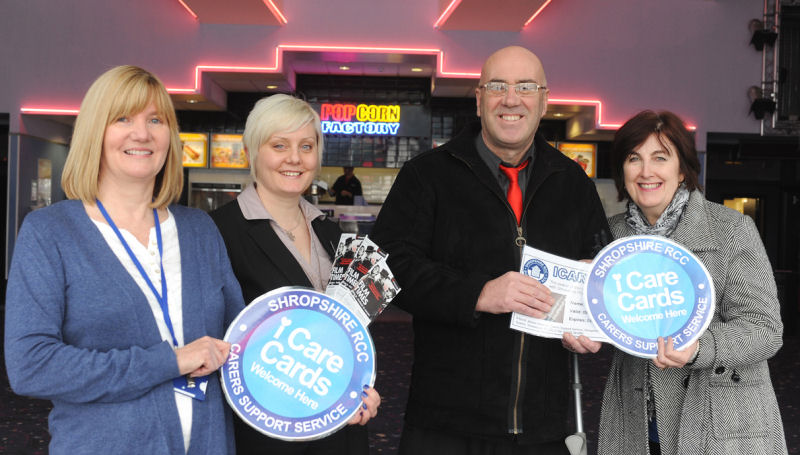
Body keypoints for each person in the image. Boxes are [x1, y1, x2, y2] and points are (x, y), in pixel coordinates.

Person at [370, 46, 609, 454]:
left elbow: (599, 267)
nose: (511, 99)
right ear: (479, 100)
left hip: (542, 427)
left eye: (525, 87)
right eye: (498, 86)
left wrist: (590, 320)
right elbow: (387, 267)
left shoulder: (573, 183)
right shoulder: (427, 175)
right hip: (444, 424)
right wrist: (478, 293)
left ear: (544, 101)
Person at [4, 65, 244, 454]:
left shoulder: (199, 229)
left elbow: (242, 342)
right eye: (123, 119)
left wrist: (333, 396)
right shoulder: (50, 233)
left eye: (156, 120)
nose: (142, 133)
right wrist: (169, 362)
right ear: (95, 132)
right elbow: (32, 366)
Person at [596, 110, 787, 454]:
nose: (646, 171)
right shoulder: (611, 236)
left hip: (717, 418)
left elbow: (765, 330)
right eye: (634, 158)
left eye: (660, 157)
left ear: (682, 169)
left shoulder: (731, 230)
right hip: (636, 421)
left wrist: (699, 348)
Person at [210, 94, 380, 455]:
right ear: (251, 151)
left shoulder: (334, 233)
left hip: (340, 431)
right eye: (279, 145)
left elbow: (352, 337)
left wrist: (362, 388)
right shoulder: (216, 232)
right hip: (266, 437)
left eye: (306, 146)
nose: (295, 158)